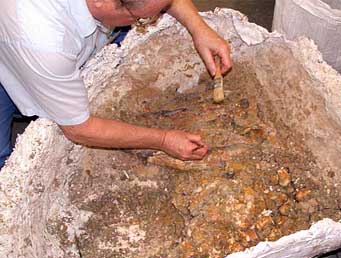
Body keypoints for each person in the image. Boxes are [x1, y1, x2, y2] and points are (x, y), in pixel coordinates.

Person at [0, 0, 232, 170]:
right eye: (143, 20)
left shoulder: (101, 8)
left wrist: (199, 29)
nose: (149, 23)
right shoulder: (43, 42)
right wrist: (163, 140)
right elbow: (78, 129)